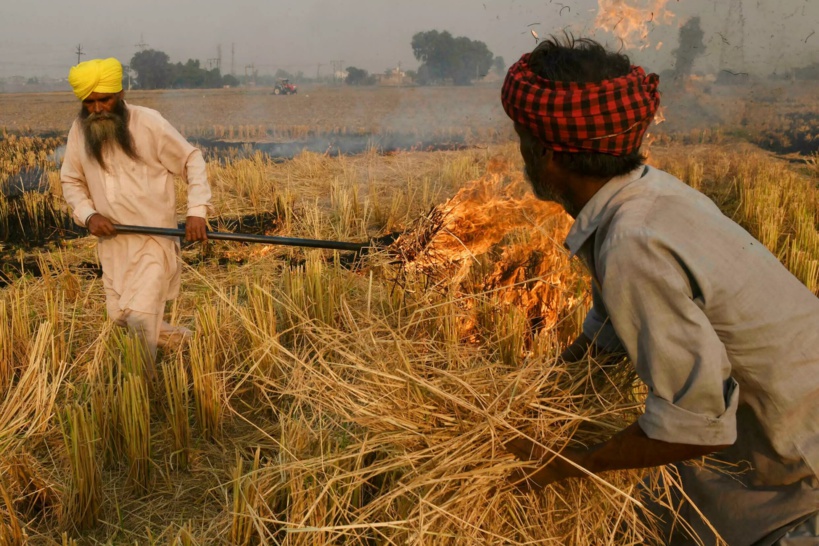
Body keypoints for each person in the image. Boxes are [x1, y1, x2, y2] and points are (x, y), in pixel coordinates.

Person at [500, 36, 819, 545]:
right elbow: (601, 345)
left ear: (546, 154)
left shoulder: (633, 241)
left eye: (521, 141)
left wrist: (568, 467)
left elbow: (690, 426)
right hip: (777, 451)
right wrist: (527, 410)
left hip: (800, 478)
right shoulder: (647, 194)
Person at [60, 58, 213, 368]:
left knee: (141, 319)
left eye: (105, 99)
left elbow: (191, 160)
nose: (98, 108)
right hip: (114, 245)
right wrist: (89, 215)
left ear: (121, 94)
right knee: (121, 316)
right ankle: (194, 343)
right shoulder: (80, 131)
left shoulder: (148, 123)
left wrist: (197, 211)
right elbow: (71, 181)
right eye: (89, 102)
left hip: (153, 241)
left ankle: (144, 391)